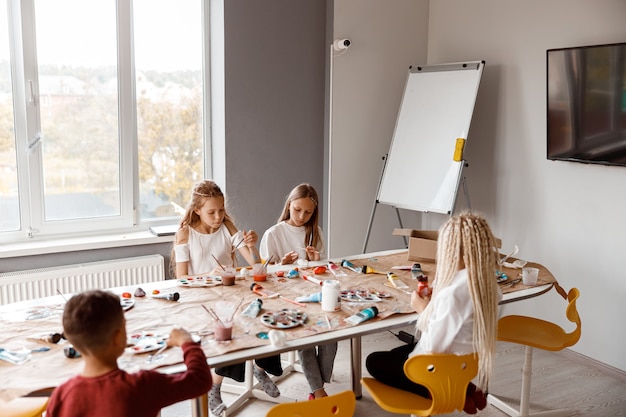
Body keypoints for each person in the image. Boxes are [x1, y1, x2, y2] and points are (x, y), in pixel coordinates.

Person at [365, 212, 500, 414]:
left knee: (374, 361)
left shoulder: (453, 294)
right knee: (396, 353)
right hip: (464, 362)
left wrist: (424, 310)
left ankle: (439, 391)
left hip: (438, 366)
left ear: (453, 251)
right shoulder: (488, 284)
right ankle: (464, 386)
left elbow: (433, 346)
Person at [172, 179, 282, 416]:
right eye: (211, 212)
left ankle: (260, 366)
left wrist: (252, 245)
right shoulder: (185, 234)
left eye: (221, 210)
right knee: (231, 329)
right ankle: (215, 386)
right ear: (197, 210)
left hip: (228, 294)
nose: (218, 216)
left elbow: (254, 264)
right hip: (200, 299)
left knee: (264, 317)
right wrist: (208, 275)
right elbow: (181, 279)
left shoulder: (227, 228)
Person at [46, 290, 212, 417]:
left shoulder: (61, 394)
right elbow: (200, 380)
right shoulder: (142, 385)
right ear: (118, 336)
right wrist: (187, 342)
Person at [260, 183, 336, 400]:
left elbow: (323, 271)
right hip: (287, 297)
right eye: (297, 210)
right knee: (307, 334)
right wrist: (281, 265)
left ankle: (318, 383)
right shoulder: (273, 234)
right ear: (289, 205)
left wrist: (316, 261)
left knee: (333, 331)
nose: (302, 216)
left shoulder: (315, 232)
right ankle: (318, 391)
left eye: (308, 212)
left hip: (313, 291)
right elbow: (267, 277)